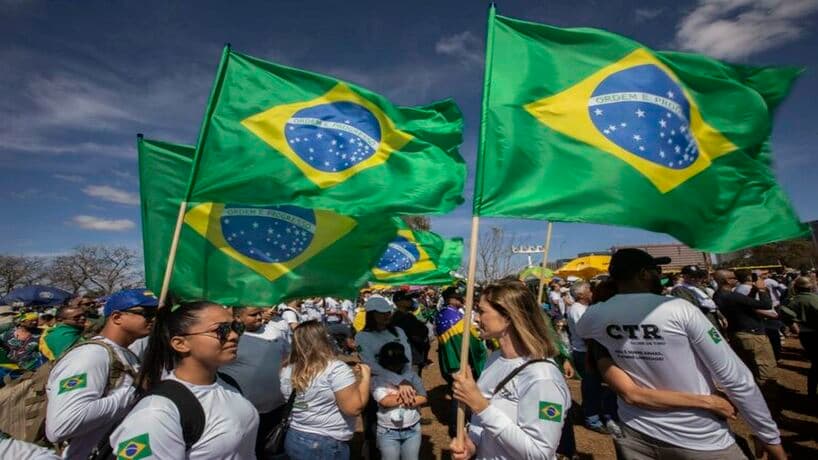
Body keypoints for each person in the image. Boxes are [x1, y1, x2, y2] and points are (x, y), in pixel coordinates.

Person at [577, 249, 784, 460]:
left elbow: (586, 335)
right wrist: (768, 435)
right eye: (656, 270)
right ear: (643, 274)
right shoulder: (679, 308)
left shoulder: (595, 316)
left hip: (635, 431)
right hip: (699, 435)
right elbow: (735, 378)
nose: (660, 275)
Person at [110, 300, 258, 459]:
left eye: (236, 327)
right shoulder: (156, 413)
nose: (234, 336)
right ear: (180, 344)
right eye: (221, 330)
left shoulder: (227, 383)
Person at [449, 280, 570, 460]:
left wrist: (481, 406)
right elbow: (485, 426)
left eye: (481, 311)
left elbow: (540, 453)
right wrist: (473, 444)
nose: (476, 318)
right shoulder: (495, 358)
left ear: (507, 317)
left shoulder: (543, 377)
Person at [46, 289, 157, 460]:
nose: (154, 319)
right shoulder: (90, 355)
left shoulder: (126, 353)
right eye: (147, 313)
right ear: (117, 317)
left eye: (157, 314)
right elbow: (62, 425)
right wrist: (133, 392)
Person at [281, 320, 370, 460]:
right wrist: (366, 377)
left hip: (295, 435)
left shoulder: (287, 368)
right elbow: (354, 409)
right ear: (324, 340)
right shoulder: (335, 369)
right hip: (324, 443)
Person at [220, 306, 289, 457]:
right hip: (242, 414)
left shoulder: (275, 332)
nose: (259, 317)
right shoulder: (227, 338)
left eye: (260, 313)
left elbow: (287, 358)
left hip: (277, 409)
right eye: (253, 314)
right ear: (238, 317)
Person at [713, 269, 779, 391]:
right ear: (727, 280)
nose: (737, 280)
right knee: (765, 369)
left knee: (750, 367)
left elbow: (744, 305)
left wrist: (753, 291)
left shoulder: (719, 295)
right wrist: (762, 289)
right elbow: (765, 305)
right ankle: (769, 397)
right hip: (752, 335)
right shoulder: (732, 296)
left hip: (737, 333)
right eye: (734, 278)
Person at [566, 281, 618, 434]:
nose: (591, 292)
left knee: (597, 385)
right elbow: (585, 334)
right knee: (591, 386)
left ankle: (595, 413)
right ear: (581, 295)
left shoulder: (584, 308)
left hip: (589, 351)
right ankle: (592, 419)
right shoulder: (577, 310)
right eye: (589, 289)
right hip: (585, 352)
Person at [372, 342, 427, 460]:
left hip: (412, 429)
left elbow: (423, 397)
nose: (394, 367)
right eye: (390, 364)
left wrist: (396, 398)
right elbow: (385, 402)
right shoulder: (378, 379)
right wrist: (410, 396)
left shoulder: (411, 376)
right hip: (388, 432)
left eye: (397, 363)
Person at [780, 276, 818, 399]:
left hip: (805, 335)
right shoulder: (815, 299)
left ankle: (811, 392)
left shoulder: (792, 301)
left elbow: (784, 314)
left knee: (815, 364)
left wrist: (794, 327)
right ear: (811, 287)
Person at [670, 265, 725, 329]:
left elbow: (711, 303)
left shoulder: (700, 287)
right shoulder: (680, 289)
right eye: (692, 276)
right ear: (684, 276)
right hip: (701, 324)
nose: (696, 278)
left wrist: (721, 316)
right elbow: (689, 308)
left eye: (698, 276)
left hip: (713, 320)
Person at [391, 291, 431, 376]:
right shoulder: (400, 318)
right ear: (399, 302)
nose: (411, 301)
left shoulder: (408, 316)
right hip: (410, 358)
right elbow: (416, 336)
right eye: (407, 299)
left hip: (415, 357)